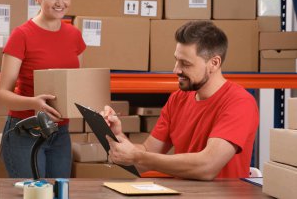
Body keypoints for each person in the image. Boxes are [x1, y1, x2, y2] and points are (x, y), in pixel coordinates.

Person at [103, 20, 259, 180]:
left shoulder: (239, 103)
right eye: (177, 60)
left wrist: (137, 156)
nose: (176, 69)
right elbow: (145, 158)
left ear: (214, 63)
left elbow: (207, 167)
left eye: (185, 63)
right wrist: (118, 137)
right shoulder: (178, 99)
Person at [0, 0, 86, 178]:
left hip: (60, 132)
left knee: (58, 192)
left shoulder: (74, 36)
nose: (60, 3)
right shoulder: (22, 36)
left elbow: (77, 85)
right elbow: (3, 94)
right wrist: (34, 103)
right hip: (25, 130)